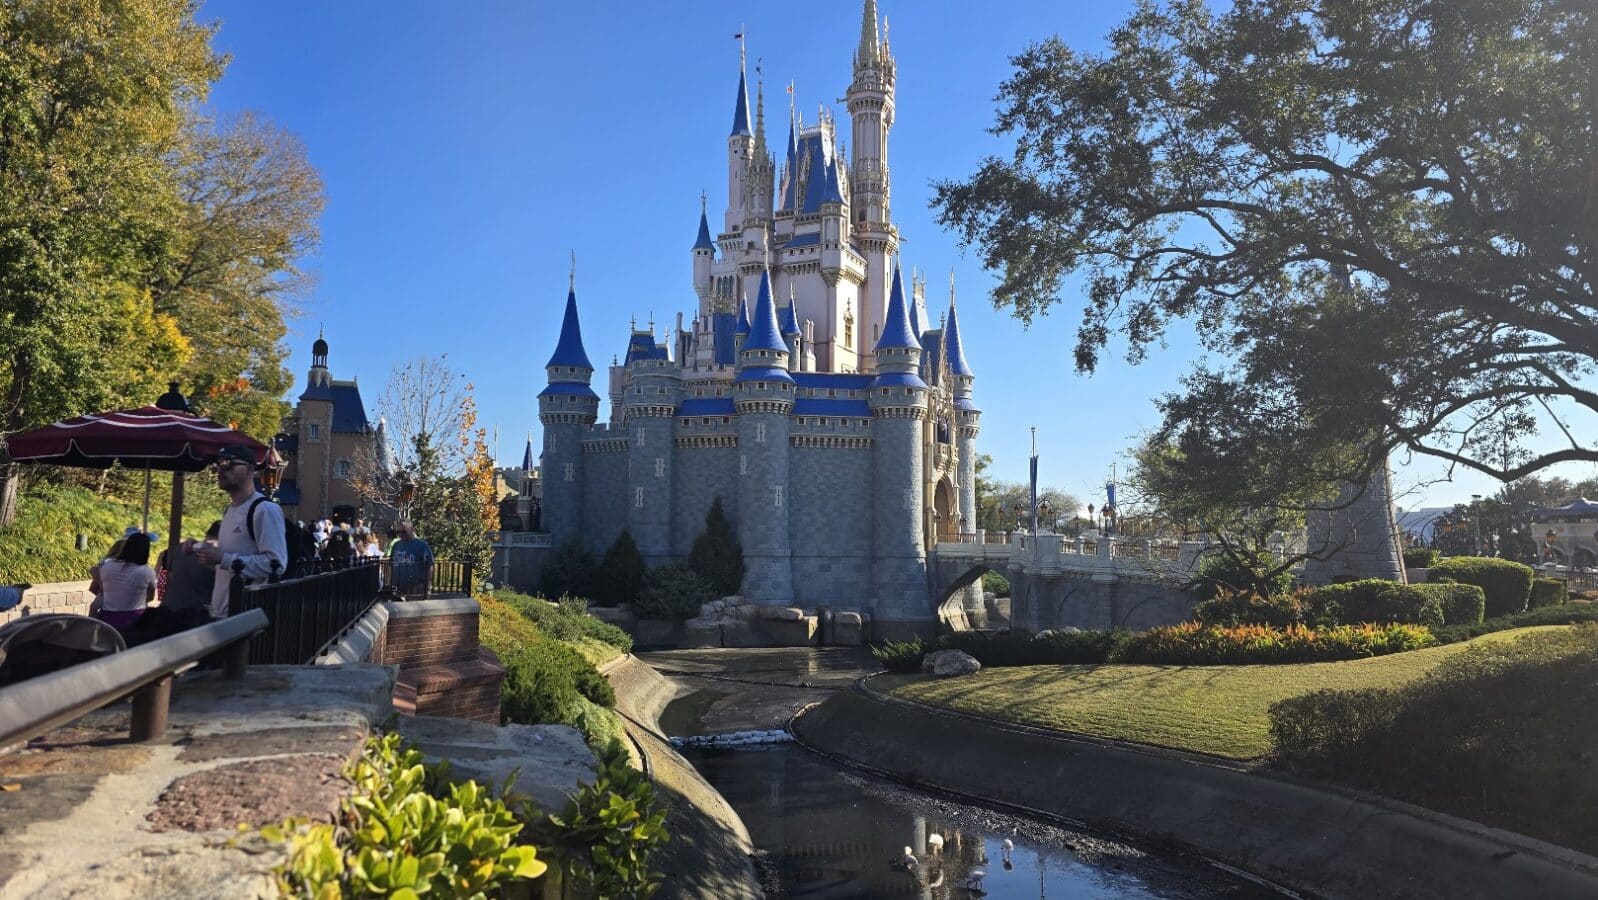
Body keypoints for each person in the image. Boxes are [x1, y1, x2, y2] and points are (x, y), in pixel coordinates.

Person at [189, 445, 287, 619]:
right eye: (217, 464)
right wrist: (204, 553)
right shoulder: (230, 510)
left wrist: (221, 558)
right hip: (222, 613)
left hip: (243, 617)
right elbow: (230, 564)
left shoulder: (264, 510)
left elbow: (276, 565)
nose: (220, 469)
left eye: (228, 463)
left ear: (250, 469)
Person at [90, 532, 157, 631]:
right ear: (146, 551)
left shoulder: (107, 566)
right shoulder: (147, 571)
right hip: (135, 621)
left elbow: (94, 575)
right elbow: (150, 598)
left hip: (107, 619)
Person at [388, 520, 434, 597]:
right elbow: (391, 565)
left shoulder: (422, 545)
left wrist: (428, 587)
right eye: (398, 532)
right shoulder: (396, 545)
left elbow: (430, 565)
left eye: (403, 531)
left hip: (416, 588)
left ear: (412, 529)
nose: (400, 534)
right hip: (398, 588)